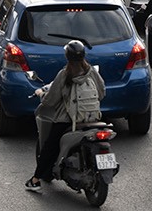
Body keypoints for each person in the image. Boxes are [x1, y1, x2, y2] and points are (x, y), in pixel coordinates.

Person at [28, 40, 106, 191]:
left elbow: (51, 100)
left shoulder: (65, 74)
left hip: (68, 120)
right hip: (92, 118)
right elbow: (102, 92)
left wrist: (40, 94)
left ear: (67, 56)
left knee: (50, 147)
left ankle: (35, 180)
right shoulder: (92, 72)